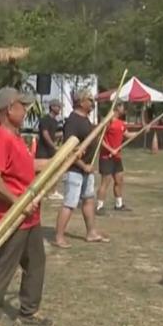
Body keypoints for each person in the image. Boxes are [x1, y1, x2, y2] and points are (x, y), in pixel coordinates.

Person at [0, 87, 53, 326]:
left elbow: (27, 166)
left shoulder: (16, 138)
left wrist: (64, 160)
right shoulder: (0, 139)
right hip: (13, 217)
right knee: (2, 268)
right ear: (10, 109)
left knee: (36, 263)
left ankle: (28, 312)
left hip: (30, 216)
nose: (26, 110)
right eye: (23, 106)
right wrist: (17, 202)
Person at [53, 88, 108, 248]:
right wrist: (83, 165)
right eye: (90, 100)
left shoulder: (86, 120)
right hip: (75, 170)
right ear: (81, 101)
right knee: (70, 203)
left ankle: (91, 232)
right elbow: (69, 149)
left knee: (89, 200)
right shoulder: (73, 121)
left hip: (87, 170)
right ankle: (59, 236)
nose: (92, 103)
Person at [96, 102, 140, 215]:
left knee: (119, 181)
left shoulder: (121, 123)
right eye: (122, 107)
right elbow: (99, 140)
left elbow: (127, 134)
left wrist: (140, 131)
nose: (124, 110)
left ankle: (119, 204)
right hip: (106, 157)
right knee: (105, 182)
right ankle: (99, 207)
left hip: (117, 157)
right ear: (117, 107)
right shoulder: (107, 122)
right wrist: (110, 149)